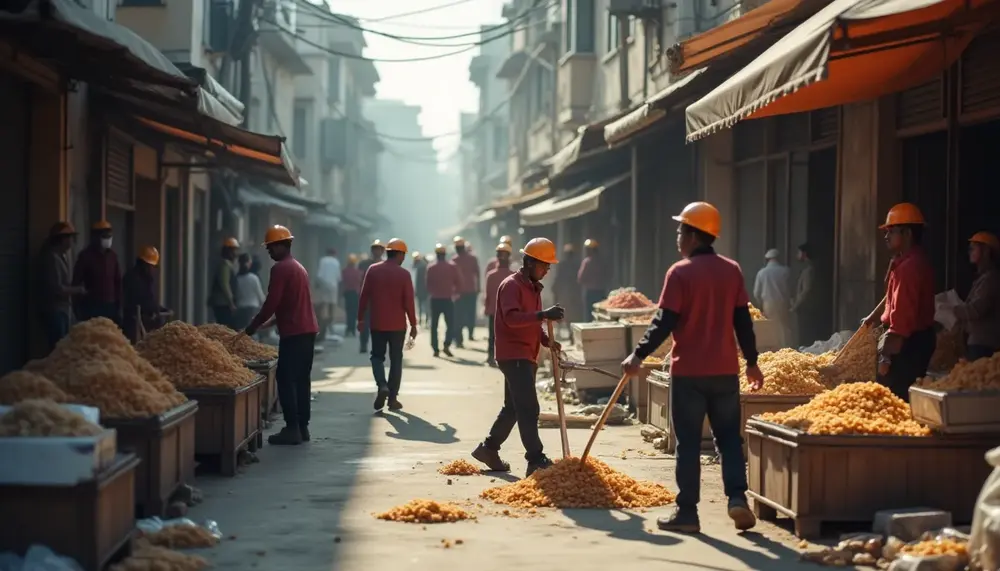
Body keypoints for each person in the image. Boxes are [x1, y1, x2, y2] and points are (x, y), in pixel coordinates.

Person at [621, 201, 763, 534]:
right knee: (729, 439)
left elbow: (663, 321)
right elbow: (743, 322)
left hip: (689, 375)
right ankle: (737, 499)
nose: (677, 236)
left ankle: (687, 513)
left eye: (681, 230)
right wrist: (753, 363)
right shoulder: (732, 270)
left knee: (687, 444)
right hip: (726, 371)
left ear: (695, 235)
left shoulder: (679, 272)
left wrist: (638, 355)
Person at [471, 237, 564, 477]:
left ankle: (488, 449)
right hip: (514, 355)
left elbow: (532, 323)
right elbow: (512, 319)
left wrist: (546, 341)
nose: (547, 270)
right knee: (528, 408)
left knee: (512, 407)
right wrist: (543, 314)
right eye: (545, 265)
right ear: (531, 263)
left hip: (526, 354)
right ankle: (535, 458)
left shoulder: (534, 288)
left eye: (549, 266)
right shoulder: (511, 285)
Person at [245, 225, 319, 446]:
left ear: (283, 245)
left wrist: (253, 324)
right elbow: (291, 305)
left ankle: (292, 428)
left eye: (271, 247)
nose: (269, 251)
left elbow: (272, 303)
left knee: (285, 378)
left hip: (294, 333)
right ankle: (303, 427)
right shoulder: (298, 267)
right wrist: (269, 323)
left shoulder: (281, 269)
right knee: (301, 380)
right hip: (307, 331)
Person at [862, 203, 936, 402]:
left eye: (892, 232)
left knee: (894, 398)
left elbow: (902, 319)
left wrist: (885, 357)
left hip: (906, 344)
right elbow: (892, 297)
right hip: (913, 340)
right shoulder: (908, 261)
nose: (886, 237)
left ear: (908, 234)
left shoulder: (910, 268)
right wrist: (873, 317)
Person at [357, 238, 418, 412]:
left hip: (377, 323)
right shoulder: (404, 274)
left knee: (377, 357)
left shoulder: (373, 270)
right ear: (398, 254)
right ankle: (392, 398)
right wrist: (413, 324)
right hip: (398, 325)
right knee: (396, 360)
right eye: (403, 255)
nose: (404, 258)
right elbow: (409, 302)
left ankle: (382, 385)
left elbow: (364, 296)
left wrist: (360, 318)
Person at [37, 222, 85, 350]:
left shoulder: (61, 256)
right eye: (69, 238)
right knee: (57, 349)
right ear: (62, 239)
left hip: (62, 310)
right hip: (54, 310)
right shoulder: (51, 258)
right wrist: (78, 290)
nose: (71, 241)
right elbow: (57, 288)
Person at [955, 232, 1000, 361]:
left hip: (984, 343)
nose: (969, 251)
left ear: (986, 251)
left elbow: (976, 310)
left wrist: (952, 309)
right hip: (978, 341)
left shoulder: (991, 279)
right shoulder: (983, 278)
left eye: (973, 248)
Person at [72, 220, 121, 324]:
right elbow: (76, 281)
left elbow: (118, 281)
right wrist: (77, 307)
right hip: (92, 306)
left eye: (109, 236)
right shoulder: (85, 256)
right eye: (104, 236)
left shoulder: (112, 256)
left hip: (110, 306)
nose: (107, 239)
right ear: (95, 237)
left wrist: (119, 304)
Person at [122, 246, 169, 344]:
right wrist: (154, 309)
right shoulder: (133, 278)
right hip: (133, 320)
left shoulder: (146, 278)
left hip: (143, 318)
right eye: (151, 266)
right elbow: (142, 299)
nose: (152, 269)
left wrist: (159, 308)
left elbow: (149, 298)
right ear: (144, 264)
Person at [425, 243, 462, 358]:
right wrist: (456, 293)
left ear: (436, 254)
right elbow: (459, 282)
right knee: (450, 324)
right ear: (445, 254)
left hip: (435, 299)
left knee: (434, 325)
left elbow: (427, 285)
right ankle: (446, 345)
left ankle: (435, 348)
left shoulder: (431, 267)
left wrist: (433, 292)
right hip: (447, 299)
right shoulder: (452, 266)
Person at [484, 242, 515, 367]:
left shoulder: (490, 275)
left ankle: (491, 356)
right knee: (508, 335)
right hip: (509, 312)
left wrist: (486, 308)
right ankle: (507, 356)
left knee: (492, 335)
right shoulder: (513, 276)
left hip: (494, 311)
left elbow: (487, 295)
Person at [753, 248, 792, 347]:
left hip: (768, 304)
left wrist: (760, 305)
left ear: (767, 259)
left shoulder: (762, 273)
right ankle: (785, 347)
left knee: (770, 326)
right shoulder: (785, 271)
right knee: (783, 327)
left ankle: (773, 349)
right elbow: (790, 289)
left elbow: (756, 293)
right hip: (782, 302)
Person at [452, 236, 481, 346]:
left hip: (460, 292)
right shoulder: (472, 259)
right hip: (469, 291)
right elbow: (477, 274)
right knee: (470, 313)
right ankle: (469, 334)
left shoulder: (454, 260)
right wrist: (478, 287)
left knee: (459, 315)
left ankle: (460, 339)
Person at [358, 239, 386, 353]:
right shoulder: (364, 264)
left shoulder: (386, 265)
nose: (376, 251)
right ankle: (363, 344)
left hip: (381, 300)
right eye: (375, 249)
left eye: (379, 249)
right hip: (367, 298)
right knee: (364, 323)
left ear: (382, 251)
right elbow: (359, 279)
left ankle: (377, 346)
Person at [208, 237, 241, 328]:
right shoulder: (225, 265)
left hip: (224, 303)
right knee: (228, 328)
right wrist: (231, 303)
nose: (236, 254)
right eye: (234, 251)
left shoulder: (228, 265)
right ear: (229, 252)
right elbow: (225, 284)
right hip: (223, 303)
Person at [790, 244, 817, 347]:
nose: (797, 255)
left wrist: (795, 305)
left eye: (798, 252)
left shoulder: (809, 270)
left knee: (805, 333)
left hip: (806, 307)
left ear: (804, 254)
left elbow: (806, 290)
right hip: (806, 306)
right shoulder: (808, 268)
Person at [554, 243, 581, 340]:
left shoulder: (563, 264)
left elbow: (558, 278)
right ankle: (569, 333)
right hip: (571, 291)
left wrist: (555, 289)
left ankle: (565, 332)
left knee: (564, 312)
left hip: (566, 291)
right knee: (570, 313)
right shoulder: (576, 264)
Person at [234, 253, 266, 331]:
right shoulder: (254, 278)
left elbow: (235, 295)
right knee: (252, 333)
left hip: (240, 309)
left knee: (241, 333)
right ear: (249, 263)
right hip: (252, 309)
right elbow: (261, 297)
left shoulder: (236, 279)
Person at [315, 248, 342, 339]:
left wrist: (318, 284)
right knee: (332, 306)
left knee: (323, 305)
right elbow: (338, 277)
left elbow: (320, 274)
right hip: (333, 286)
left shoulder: (323, 260)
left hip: (324, 284)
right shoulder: (336, 262)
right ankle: (330, 325)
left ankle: (322, 324)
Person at [577, 239, 607, 321]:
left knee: (589, 315)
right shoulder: (602, 261)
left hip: (590, 292)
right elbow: (607, 275)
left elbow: (580, 278)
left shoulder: (587, 262)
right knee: (600, 315)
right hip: (601, 291)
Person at [341, 254, 363, 337]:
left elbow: (342, 282)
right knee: (354, 312)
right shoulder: (358, 272)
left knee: (348, 311)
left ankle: (348, 328)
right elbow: (360, 283)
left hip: (347, 293)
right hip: (355, 293)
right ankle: (352, 329)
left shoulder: (344, 271)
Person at [412, 251, 429, 326]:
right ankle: (425, 320)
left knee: (421, 306)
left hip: (421, 290)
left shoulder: (419, 267)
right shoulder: (424, 265)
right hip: (424, 290)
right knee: (425, 306)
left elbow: (417, 280)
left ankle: (423, 320)